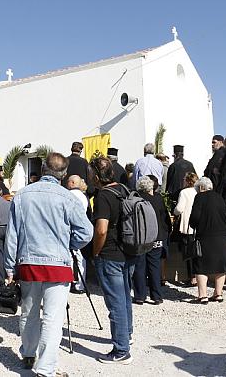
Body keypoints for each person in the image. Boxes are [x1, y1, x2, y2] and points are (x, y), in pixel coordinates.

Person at [4, 152, 92, 375]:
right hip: (58, 264)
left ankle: (28, 353)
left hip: (29, 262)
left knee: (29, 313)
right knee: (53, 318)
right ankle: (46, 368)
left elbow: (11, 235)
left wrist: (8, 266)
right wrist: (69, 243)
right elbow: (86, 232)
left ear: (42, 169)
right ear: (64, 174)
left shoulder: (22, 195)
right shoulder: (69, 197)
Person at [90, 156, 135, 364]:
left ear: (98, 177)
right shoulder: (124, 190)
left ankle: (121, 350)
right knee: (124, 297)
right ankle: (127, 335)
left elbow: (101, 230)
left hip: (109, 254)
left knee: (115, 302)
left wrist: (96, 252)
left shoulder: (103, 196)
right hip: (128, 251)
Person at [189, 177, 226, 303]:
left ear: (201, 188)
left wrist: (193, 224)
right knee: (220, 264)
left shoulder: (199, 197)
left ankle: (203, 296)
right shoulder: (219, 197)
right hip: (222, 235)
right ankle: (218, 294)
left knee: (201, 264)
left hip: (205, 235)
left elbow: (195, 217)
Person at [132, 176, 170, 306]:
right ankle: (157, 296)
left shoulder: (136, 199)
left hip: (142, 238)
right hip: (157, 236)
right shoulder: (158, 198)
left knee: (140, 266)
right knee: (155, 266)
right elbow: (165, 217)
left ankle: (140, 296)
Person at [173, 172, 199, 284]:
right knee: (197, 252)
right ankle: (198, 276)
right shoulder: (198, 191)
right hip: (198, 225)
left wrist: (174, 212)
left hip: (187, 225)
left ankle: (192, 277)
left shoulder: (184, 192)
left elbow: (179, 208)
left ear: (187, 181)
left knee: (189, 252)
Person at [66, 175, 89, 294]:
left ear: (72, 182)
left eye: (68, 181)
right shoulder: (84, 196)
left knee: (70, 257)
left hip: (70, 228)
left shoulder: (69, 195)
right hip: (80, 228)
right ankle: (81, 283)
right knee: (80, 257)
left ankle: (69, 282)